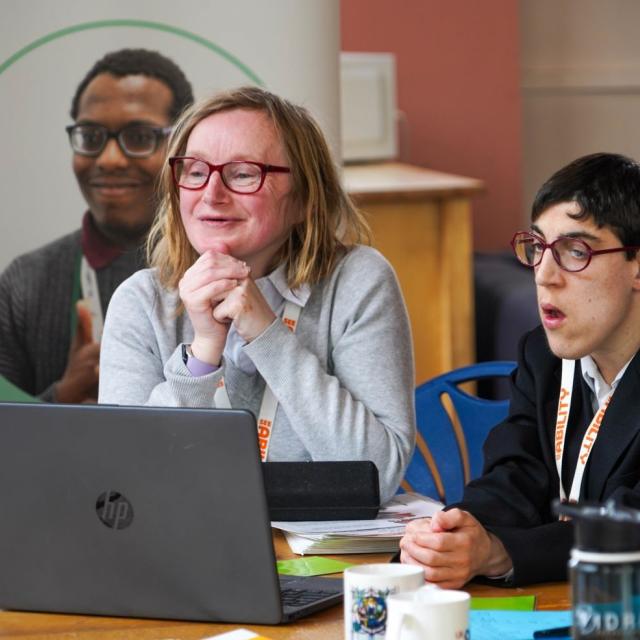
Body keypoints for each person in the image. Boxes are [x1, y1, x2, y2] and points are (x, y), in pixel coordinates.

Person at [98, 86, 415, 502]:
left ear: (304, 198)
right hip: (186, 537)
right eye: (195, 171)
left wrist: (267, 335)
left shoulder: (357, 281)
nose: (211, 194)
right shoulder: (141, 302)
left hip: (321, 542)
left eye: (243, 173)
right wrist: (202, 352)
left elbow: (378, 473)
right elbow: (125, 481)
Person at [400, 152, 640, 586]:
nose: (544, 276)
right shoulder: (543, 356)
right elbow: (516, 475)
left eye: (575, 252)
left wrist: (501, 553)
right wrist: (455, 533)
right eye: (538, 248)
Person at [0, 48, 193, 402]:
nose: (109, 159)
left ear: (184, 144)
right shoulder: (24, 285)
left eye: (139, 137)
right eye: (90, 137)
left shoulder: (227, 276)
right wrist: (62, 397)